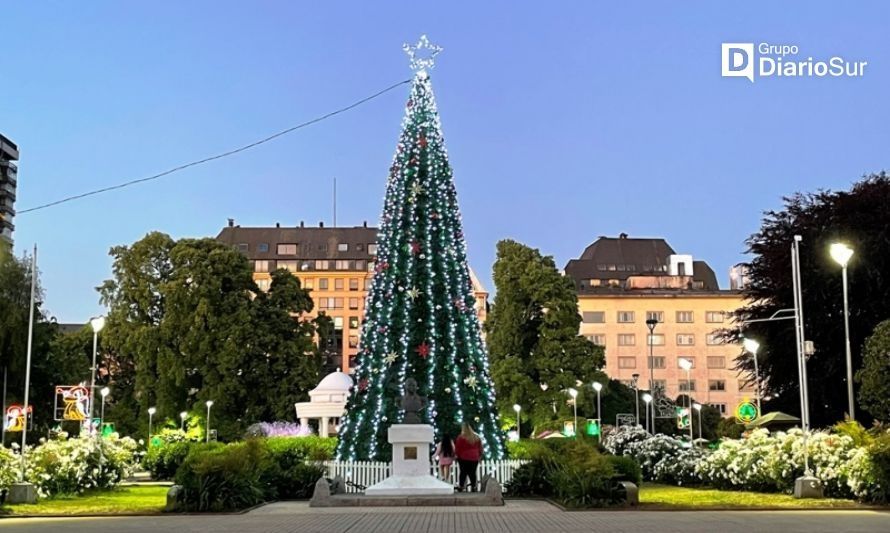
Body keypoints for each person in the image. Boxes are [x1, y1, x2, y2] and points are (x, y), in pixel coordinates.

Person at [454, 422, 483, 492]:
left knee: (463, 472)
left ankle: (461, 486)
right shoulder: (477, 437)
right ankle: (474, 486)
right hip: (474, 457)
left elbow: (458, 448)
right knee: (472, 472)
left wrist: (456, 455)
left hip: (464, 457)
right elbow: (480, 448)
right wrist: (479, 456)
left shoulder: (461, 437)